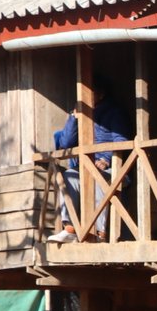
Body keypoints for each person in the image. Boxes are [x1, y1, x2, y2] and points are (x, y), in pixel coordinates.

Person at [48, 86, 130, 243]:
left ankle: (100, 234)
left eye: (89, 94)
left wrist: (106, 159)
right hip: (86, 166)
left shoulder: (114, 112)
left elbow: (122, 141)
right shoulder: (80, 115)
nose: (84, 98)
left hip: (113, 168)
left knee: (98, 179)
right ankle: (70, 229)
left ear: (101, 94)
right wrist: (74, 118)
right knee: (69, 176)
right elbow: (65, 143)